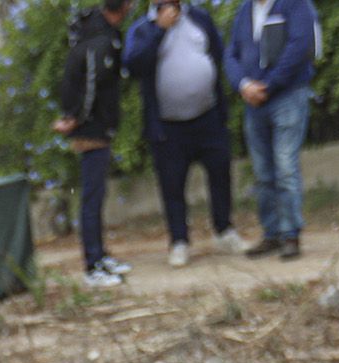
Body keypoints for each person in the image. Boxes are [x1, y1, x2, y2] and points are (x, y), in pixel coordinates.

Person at [124, 0, 250, 267]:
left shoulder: (200, 19)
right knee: (172, 185)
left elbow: (218, 54)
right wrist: (160, 30)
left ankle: (224, 230)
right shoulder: (142, 29)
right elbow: (134, 66)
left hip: (208, 117)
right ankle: (179, 241)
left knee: (220, 174)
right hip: (168, 125)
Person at [224, 0, 319, 259]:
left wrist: (269, 85)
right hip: (254, 103)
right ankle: (272, 233)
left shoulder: (294, 5)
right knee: (263, 171)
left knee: (285, 165)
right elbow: (231, 53)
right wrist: (243, 84)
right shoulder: (245, 11)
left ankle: (290, 234)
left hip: (287, 96)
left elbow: (299, 46)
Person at [53, 0, 133, 288]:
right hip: (91, 129)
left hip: (98, 127)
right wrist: (76, 118)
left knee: (96, 198)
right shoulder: (99, 39)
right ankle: (92, 266)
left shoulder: (101, 33)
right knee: (91, 199)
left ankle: (100, 256)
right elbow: (90, 83)